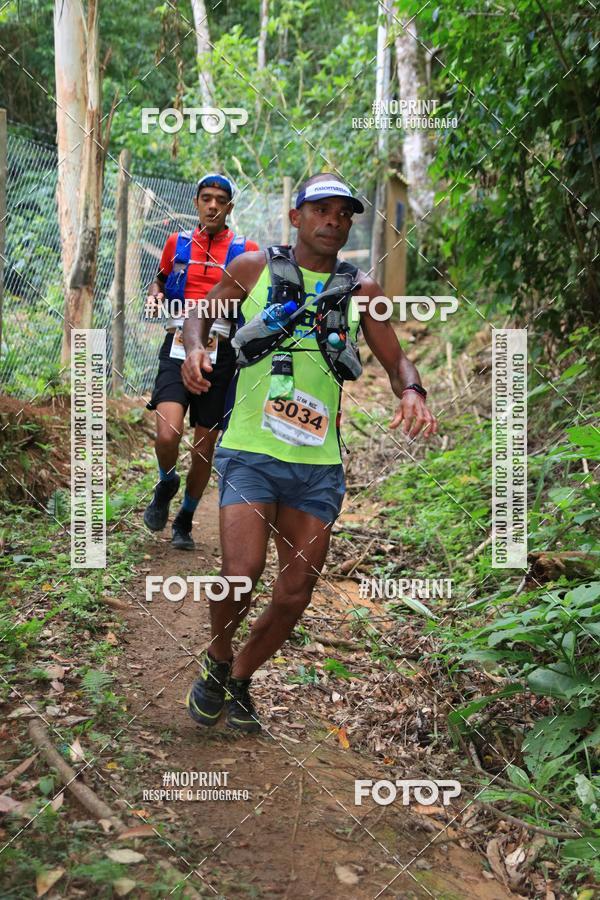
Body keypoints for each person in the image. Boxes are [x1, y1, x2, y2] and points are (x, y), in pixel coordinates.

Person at [181, 173, 437, 733]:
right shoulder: (253, 268)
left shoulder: (361, 291)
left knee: (296, 590)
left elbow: (398, 362)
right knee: (239, 575)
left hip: (317, 463)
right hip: (251, 449)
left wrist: (412, 389)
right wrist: (196, 348)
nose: (334, 222)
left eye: (344, 215)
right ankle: (219, 659)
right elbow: (200, 309)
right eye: (321, 210)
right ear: (295, 217)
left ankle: (242, 674)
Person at [143, 174, 259, 550]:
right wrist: (155, 295)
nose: (212, 205)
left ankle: (186, 518)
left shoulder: (247, 251)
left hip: (221, 353)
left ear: (230, 207)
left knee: (203, 447)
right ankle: (166, 480)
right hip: (176, 345)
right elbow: (159, 280)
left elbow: (258, 302)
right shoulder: (177, 243)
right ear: (196, 202)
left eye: (220, 200)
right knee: (167, 433)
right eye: (206, 198)